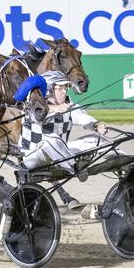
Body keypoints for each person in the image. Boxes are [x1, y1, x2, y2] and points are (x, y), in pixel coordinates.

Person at [19, 70, 108, 209]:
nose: (64, 92)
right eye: (60, 88)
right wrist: (55, 108)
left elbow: (81, 117)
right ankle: (76, 168)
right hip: (33, 156)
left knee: (97, 139)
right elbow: (37, 118)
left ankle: (128, 164)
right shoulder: (34, 105)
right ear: (49, 89)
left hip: (61, 156)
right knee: (52, 139)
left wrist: (96, 125)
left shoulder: (67, 104)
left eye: (65, 88)